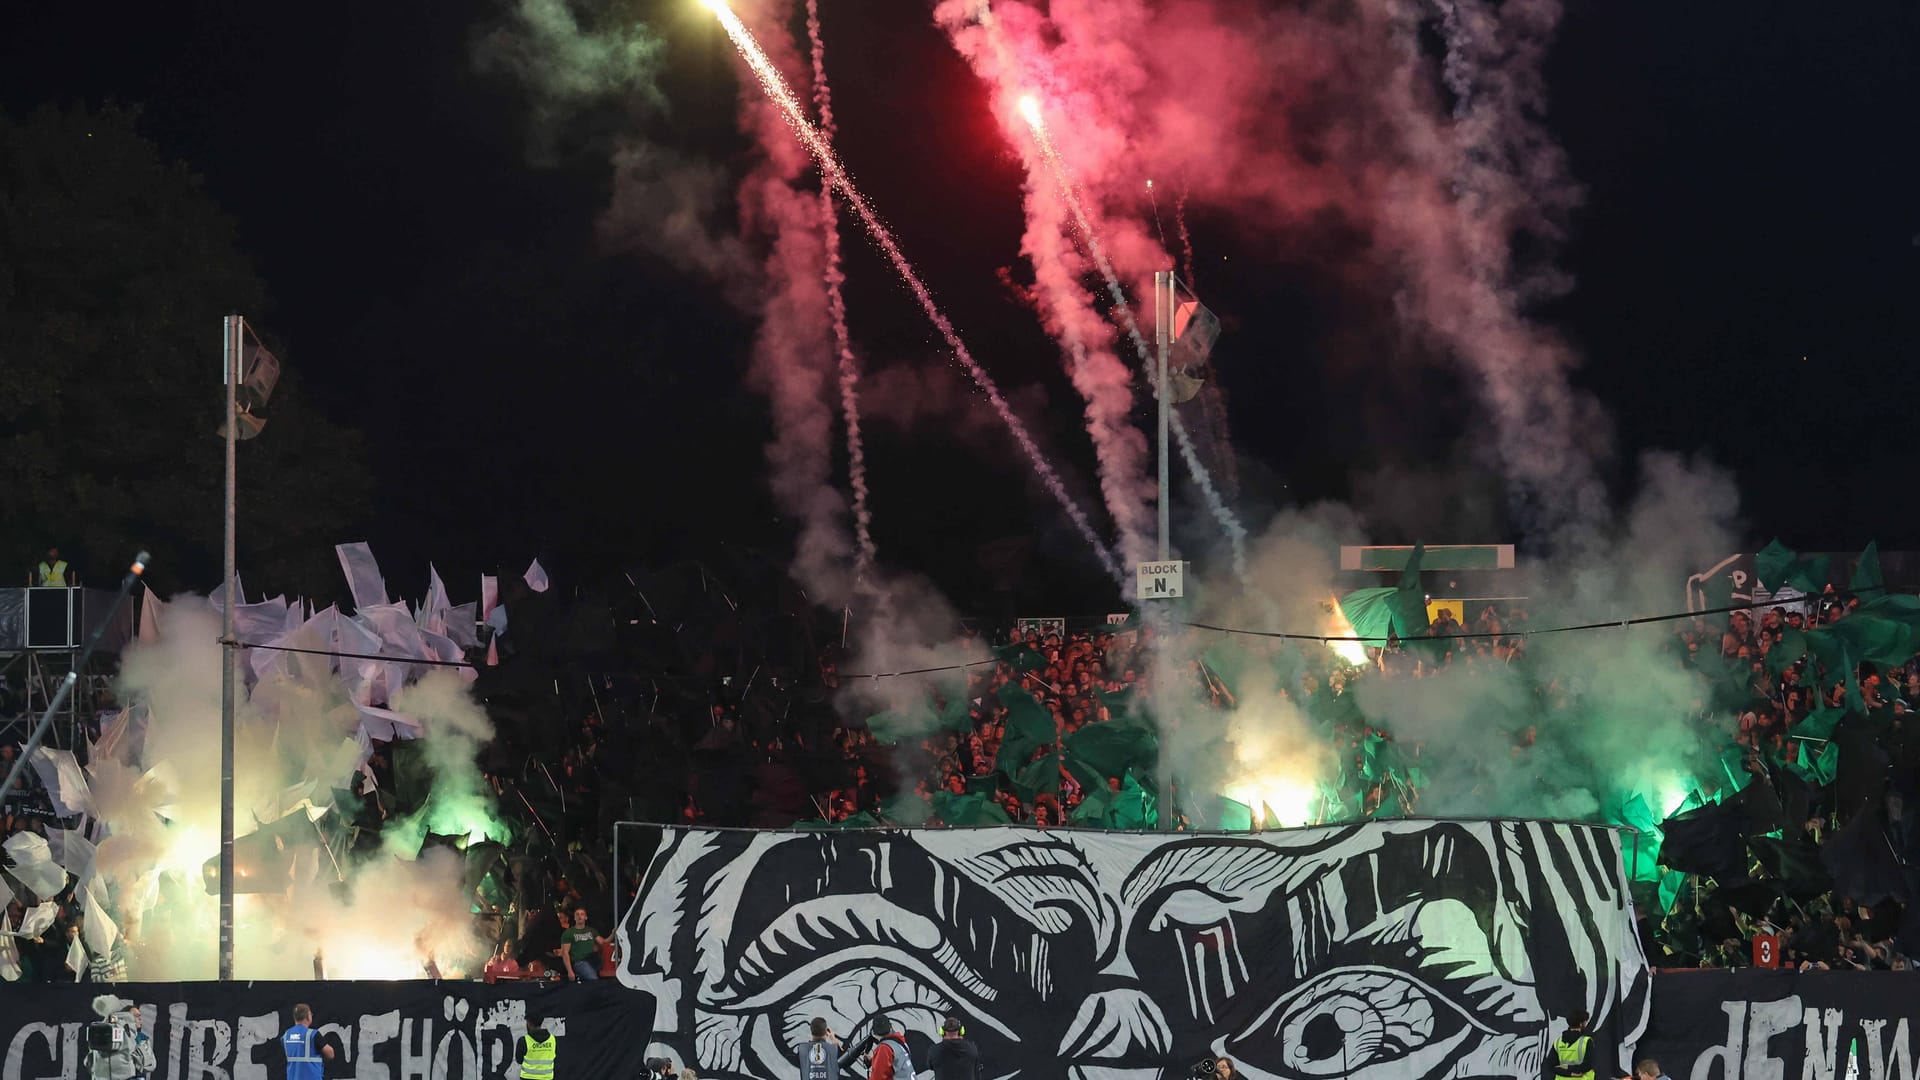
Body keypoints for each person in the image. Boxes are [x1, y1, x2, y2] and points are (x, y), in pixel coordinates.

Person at [86, 994, 154, 1080]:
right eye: (135, 1016)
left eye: (139, 1016)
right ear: (125, 1017)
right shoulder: (103, 1031)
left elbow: (88, 1063)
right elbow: (148, 1065)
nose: (140, 1019)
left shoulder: (99, 1030)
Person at [281, 1004, 333, 1080]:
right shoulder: (313, 1035)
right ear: (308, 1016)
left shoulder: (286, 1035)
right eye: (311, 1014)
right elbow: (330, 1054)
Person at [555, 907, 607, 981]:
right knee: (593, 980)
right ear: (574, 918)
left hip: (593, 960)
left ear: (586, 917)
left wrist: (613, 934)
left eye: (582, 914)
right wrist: (570, 971)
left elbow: (604, 942)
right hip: (580, 962)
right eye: (577, 914)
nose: (580, 916)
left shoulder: (591, 930)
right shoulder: (568, 933)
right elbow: (565, 952)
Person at [1553, 1011, 1594, 1080]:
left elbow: (1551, 1066)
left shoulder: (1557, 1042)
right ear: (1581, 1024)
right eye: (1585, 1022)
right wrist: (1571, 1069)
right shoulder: (1587, 1041)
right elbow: (1587, 1066)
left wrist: (1568, 1072)